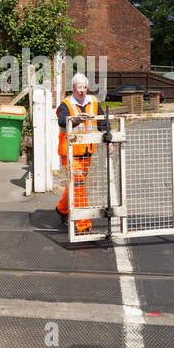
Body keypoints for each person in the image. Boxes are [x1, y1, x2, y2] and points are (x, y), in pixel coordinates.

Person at [55, 73, 111, 233]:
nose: (82, 91)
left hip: (87, 153)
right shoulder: (66, 104)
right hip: (70, 153)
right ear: (73, 88)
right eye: (79, 87)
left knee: (75, 185)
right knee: (79, 185)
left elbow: (103, 121)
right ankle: (83, 225)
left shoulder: (93, 102)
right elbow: (61, 120)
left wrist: (109, 140)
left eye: (85, 87)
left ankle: (62, 209)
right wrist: (77, 119)